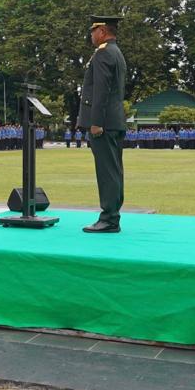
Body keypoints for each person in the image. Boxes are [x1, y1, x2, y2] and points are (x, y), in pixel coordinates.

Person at [78, 15, 128, 234]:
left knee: (107, 172)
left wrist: (96, 122)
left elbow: (101, 91)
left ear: (103, 32)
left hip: (104, 123)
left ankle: (108, 218)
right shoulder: (116, 52)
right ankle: (112, 216)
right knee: (114, 171)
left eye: (93, 31)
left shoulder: (104, 53)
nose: (91, 35)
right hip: (114, 121)